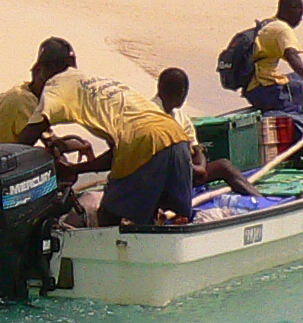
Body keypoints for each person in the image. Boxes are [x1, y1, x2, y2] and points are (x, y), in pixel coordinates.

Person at [25, 62, 197, 227]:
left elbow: (33, 130)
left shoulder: (56, 89)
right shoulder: (113, 89)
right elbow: (119, 153)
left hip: (145, 140)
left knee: (107, 215)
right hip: (176, 135)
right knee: (178, 215)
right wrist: (77, 169)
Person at [0, 37, 79, 188]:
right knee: (57, 166)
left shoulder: (21, 90)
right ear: (38, 70)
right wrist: (79, 146)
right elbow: (51, 145)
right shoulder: (25, 102)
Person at [158, 66, 253, 195]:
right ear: (181, 92)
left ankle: (259, 200)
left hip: (188, 172)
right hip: (162, 176)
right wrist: (191, 169)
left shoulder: (181, 117)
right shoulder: (151, 115)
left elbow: (196, 149)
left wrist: (201, 167)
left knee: (223, 165)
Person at [243, 0, 303, 113]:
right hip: (265, 88)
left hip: (252, 86)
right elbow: (291, 55)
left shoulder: (268, 23)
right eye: (299, 14)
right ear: (291, 10)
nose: (300, 19)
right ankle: (295, 108)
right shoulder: (282, 29)